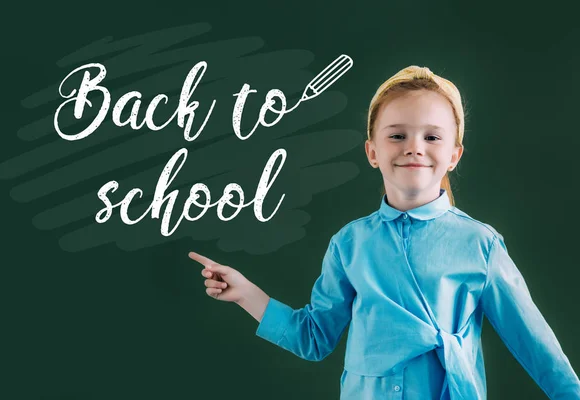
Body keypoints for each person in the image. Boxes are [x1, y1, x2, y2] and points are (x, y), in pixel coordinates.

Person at [188, 65, 580, 399]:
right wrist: (246, 294)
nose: (414, 147)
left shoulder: (481, 244)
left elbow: (535, 344)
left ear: (454, 154)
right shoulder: (349, 244)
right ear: (372, 151)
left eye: (432, 136)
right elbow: (312, 338)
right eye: (397, 135)